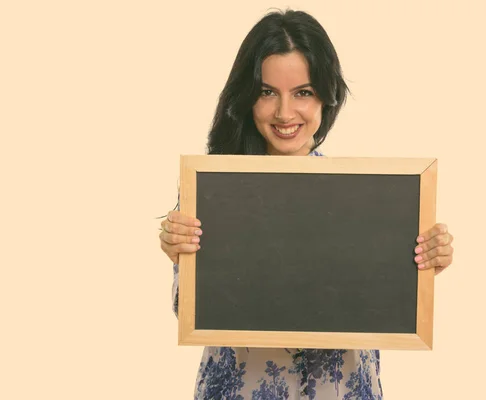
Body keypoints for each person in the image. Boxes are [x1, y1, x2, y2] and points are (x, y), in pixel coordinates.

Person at [159, 9, 454, 400]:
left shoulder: (367, 200)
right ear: (247, 98)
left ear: (326, 96)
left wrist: (424, 260)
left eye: (303, 92)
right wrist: (179, 255)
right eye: (267, 92)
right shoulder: (210, 190)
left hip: (339, 387)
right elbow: (191, 313)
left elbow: (385, 299)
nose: (284, 113)